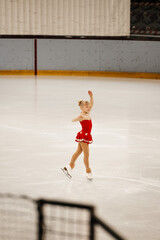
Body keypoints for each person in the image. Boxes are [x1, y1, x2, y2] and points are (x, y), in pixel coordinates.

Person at [61, 90, 94, 180]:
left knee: (78, 152)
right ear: (82, 108)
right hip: (84, 136)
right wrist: (77, 118)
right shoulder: (82, 116)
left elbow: (92, 104)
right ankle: (88, 170)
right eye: (86, 107)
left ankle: (69, 166)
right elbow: (73, 120)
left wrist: (91, 97)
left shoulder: (87, 112)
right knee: (86, 155)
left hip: (84, 135)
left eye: (88, 107)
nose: (89, 108)